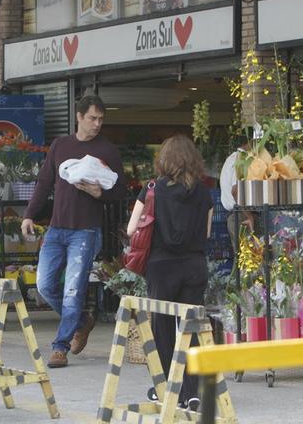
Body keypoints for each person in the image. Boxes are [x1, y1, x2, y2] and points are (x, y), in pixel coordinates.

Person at [22, 95, 125, 368]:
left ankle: (60, 347)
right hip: (56, 229)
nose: (97, 124)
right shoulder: (60, 145)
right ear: (78, 117)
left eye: (101, 119)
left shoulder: (108, 150)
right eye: (92, 118)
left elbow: (120, 192)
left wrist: (99, 192)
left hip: (86, 231)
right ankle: (82, 321)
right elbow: (44, 183)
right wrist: (29, 215)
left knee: (72, 292)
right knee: (44, 285)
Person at [127, 135, 212, 411]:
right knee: (191, 327)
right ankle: (194, 391)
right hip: (194, 266)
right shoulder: (203, 192)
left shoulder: (152, 189)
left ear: (163, 160)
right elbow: (207, 233)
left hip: (161, 267)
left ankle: (166, 388)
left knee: (162, 329)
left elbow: (131, 230)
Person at [220, 136, 251, 251]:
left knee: (242, 260)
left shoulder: (230, 158)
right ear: (249, 142)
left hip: (235, 216)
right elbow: (235, 191)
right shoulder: (240, 159)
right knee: (249, 258)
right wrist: (249, 216)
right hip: (240, 216)